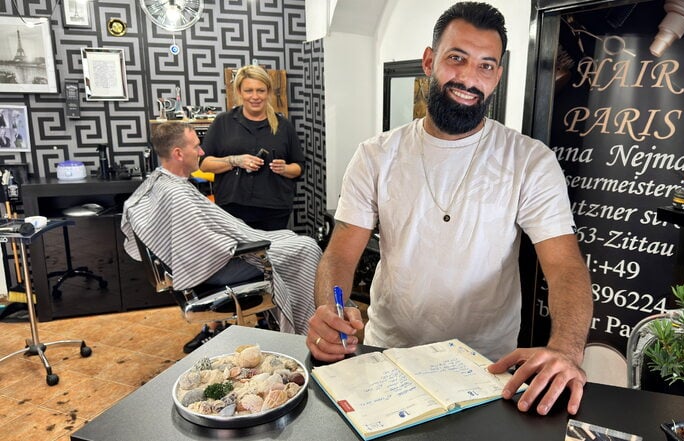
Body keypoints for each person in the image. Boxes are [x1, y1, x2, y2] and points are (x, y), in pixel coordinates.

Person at [307, 1, 593, 417]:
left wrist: (566, 349)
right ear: (429, 61)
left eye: (486, 66)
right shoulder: (376, 155)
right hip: (388, 353)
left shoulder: (529, 160)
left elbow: (565, 266)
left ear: (497, 75)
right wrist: (329, 313)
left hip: (488, 366)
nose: (469, 78)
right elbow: (340, 253)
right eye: (456, 59)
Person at [121, 121, 320, 353]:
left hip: (202, 262)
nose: (202, 152)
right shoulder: (176, 193)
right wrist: (241, 240)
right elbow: (213, 246)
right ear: (178, 153)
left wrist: (239, 234)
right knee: (307, 247)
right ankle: (307, 335)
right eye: (196, 146)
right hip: (213, 268)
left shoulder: (159, 183)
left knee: (287, 237)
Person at [199, 65, 304, 230]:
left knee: (272, 255)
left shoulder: (284, 126)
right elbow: (204, 164)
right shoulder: (223, 122)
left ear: (268, 92)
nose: (255, 96)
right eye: (249, 91)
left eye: (260, 90)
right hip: (232, 209)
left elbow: (299, 167)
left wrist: (284, 169)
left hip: (274, 210)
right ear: (239, 92)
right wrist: (234, 160)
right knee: (236, 256)